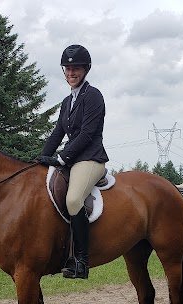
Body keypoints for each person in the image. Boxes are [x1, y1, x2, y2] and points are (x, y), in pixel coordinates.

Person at [36, 44, 109, 279]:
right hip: (72, 160)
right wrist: (40, 158)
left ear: (85, 69)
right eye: (67, 69)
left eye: (75, 68)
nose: (70, 73)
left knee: (74, 199)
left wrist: (61, 157)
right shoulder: (67, 102)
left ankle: (81, 261)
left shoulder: (94, 95)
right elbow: (57, 132)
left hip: (90, 159)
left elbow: (87, 134)